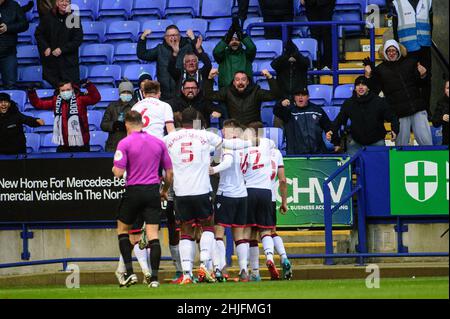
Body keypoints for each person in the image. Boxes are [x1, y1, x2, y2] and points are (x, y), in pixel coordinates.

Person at [113, 110, 174, 288]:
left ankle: (130, 273)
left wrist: (114, 169)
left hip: (133, 191)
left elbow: (117, 173)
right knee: (153, 236)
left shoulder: (124, 143)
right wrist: (164, 191)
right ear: (143, 123)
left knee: (123, 231)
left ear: (126, 125)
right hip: (152, 191)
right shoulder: (158, 142)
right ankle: (154, 278)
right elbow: (169, 173)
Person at [364, 39, 432, 146]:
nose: (391, 53)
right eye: (388, 51)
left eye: (394, 50)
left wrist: (423, 75)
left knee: (427, 145)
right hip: (399, 114)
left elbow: (421, 84)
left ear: (398, 51)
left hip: (417, 109)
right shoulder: (380, 70)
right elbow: (373, 91)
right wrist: (368, 77)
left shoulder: (410, 62)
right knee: (400, 147)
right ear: (385, 53)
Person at [208, 119, 249, 282]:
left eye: (225, 130)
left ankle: (219, 267)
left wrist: (213, 169)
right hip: (242, 194)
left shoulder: (228, 145)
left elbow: (228, 161)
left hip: (226, 193)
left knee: (219, 232)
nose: (222, 134)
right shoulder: (246, 146)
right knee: (240, 234)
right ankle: (244, 269)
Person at [241, 121, 280, 281]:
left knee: (248, 232)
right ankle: (269, 257)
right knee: (265, 230)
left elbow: (241, 168)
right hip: (266, 192)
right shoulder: (268, 144)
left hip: (249, 190)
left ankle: (253, 271)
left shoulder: (244, 146)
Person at [331, 76, 400, 156]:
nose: (360, 87)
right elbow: (339, 121)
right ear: (355, 88)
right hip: (355, 143)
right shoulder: (348, 103)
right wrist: (334, 138)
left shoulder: (379, 102)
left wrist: (395, 129)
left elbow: (392, 117)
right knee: (352, 167)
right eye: (358, 85)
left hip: (377, 142)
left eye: (363, 85)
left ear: (368, 88)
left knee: (379, 167)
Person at [28, 80, 101, 153]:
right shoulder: (56, 100)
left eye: (68, 90)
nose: (65, 92)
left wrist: (89, 85)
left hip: (81, 142)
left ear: (72, 89)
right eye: (62, 90)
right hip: (64, 143)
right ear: (59, 91)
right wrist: (31, 92)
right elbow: (38, 103)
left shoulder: (80, 98)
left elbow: (96, 98)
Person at [392, 0, 433, 117]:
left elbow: (431, 23)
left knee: (426, 79)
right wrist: (398, 48)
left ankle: (426, 109)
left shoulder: (428, 1)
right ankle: (413, 110)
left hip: (424, 46)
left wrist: (428, 40)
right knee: (410, 80)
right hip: (407, 48)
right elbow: (395, 28)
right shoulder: (397, 2)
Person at [204, 69, 281, 126]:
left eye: (243, 80)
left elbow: (274, 95)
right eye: (237, 80)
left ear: (248, 82)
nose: (240, 82)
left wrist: (270, 77)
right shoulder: (227, 91)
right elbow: (209, 95)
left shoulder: (256, 91)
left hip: (255, 129)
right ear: (234, 83)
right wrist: (210, 78)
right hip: (235, 129)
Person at [137, 25, 195, 101]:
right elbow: (142, 54)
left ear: (180, 36)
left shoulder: (187, 47)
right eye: (170, 35)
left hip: (182, 94)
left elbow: (198, 54)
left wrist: (193, 39)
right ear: (165, 37)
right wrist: (143, 38)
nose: (173, 37)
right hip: (163, 94)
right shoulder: (160, 49)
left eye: (175, 35)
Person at [35, 0, 83, 88]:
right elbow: (39, 34)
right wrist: (45, 47)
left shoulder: (74, 18)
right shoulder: (48, 17)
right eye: (61, 1)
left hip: (69, 65)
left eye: (67, 1)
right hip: (52, 65)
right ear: (56, 3)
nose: (64, 3)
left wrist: (62, 49)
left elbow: (78, 39)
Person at [273, 87, 335, 155]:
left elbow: (328, 126)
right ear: (294, 97)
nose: (300, 97)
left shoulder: (317, 110)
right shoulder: (289, 112)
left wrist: (329, 132)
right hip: (296, 156)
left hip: (317, 154)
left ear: (308, 97)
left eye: (303, 95)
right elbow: (276, 111)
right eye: (298, 95)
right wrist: (280, 104)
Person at [213, 23, 256, 91]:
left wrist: (241, 35)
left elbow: (252, 48)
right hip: (226, 92)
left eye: (237, 39)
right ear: (227, 42)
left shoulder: (247, 55)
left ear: (241, 41)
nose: (234, 42)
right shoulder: (223, 55)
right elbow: (216, 52)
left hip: (245, 92)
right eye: (231, 40)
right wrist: (227, 36)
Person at [168, 32, 211, 97]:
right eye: (188, 61)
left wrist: (199, 50)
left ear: (198, 63)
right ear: (184, 65)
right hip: (182, 103)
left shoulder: (202, 73)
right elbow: (170, 68)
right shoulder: (179, 75)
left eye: (193, 61)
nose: (191, 63)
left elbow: (208, 64)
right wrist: (175, 53)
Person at [0, 0, 29, 90]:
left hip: (8, 52)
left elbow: (24, 24)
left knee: (10, 86)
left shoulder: (14, 5)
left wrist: (8, 28)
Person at [101, 81, 136, 152]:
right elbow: (103, 125)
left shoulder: (136, 106)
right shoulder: (112, 106)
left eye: (128, 92)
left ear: (132, 94)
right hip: (113, 146)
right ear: (120, 93)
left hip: (130, 145)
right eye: (124, 92)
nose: (126, 94)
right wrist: (114, 125)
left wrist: (128, 126)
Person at [301, 0, 335, 69]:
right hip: (311, 5)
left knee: (326, 33)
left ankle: (328, 63)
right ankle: (316, 63)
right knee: (314, 34)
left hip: (327, 4)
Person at [432, 80, 449, 146]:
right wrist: (442, 118)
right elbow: (435, 122)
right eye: (448, 88)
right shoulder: (441, 102)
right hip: (447, 142)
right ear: (445, 90)